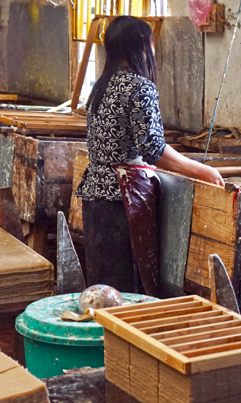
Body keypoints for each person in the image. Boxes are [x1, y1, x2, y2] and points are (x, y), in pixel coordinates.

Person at [75, 16, 223, 293]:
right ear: (143, 45)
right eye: (152, 44)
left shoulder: (100, 86)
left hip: (95, 192)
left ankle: (100, 335)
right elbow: (153, 149)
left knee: (103, 286)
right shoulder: (140, 87)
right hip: (123, 198)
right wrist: (201, 170)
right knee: (128, 288)